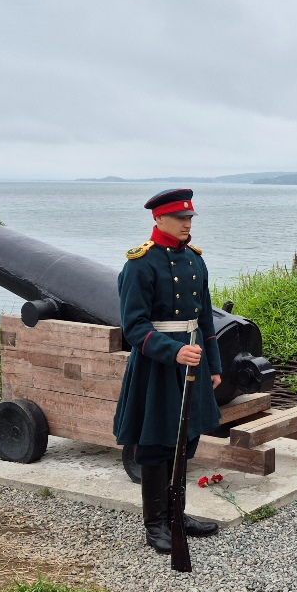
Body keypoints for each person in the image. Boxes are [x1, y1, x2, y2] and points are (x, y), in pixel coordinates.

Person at [114, 188, 223, 554]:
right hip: (157, 367)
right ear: (158, 219)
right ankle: (156, 524)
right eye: (180, 218)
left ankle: (178, 514)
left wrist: (215, 365)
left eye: (190, 218)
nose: (186, 224)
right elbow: (134, 327)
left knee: (185, 440)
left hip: (193, 361)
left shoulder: (195, 260)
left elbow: (205, 318)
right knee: (156, 445)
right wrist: (173, 352)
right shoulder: (139, 265)